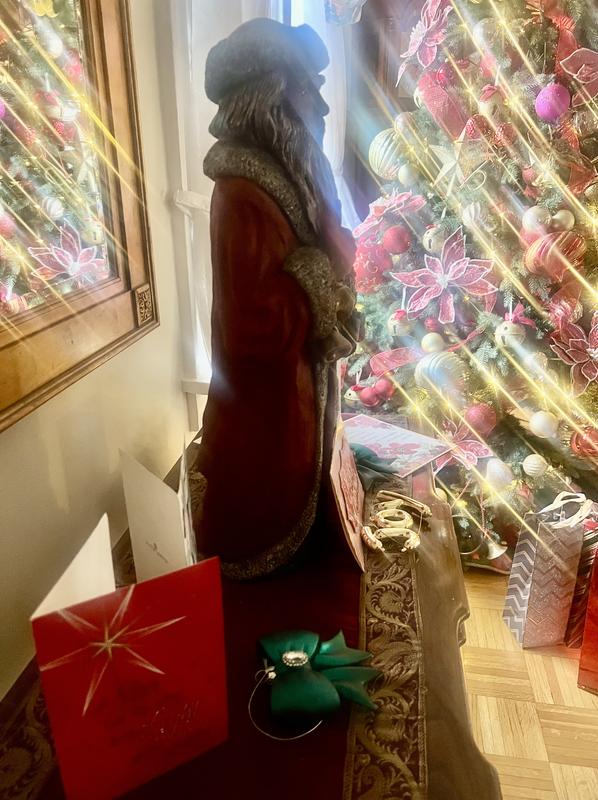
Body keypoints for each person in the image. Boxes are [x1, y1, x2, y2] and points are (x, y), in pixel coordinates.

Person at [195, 18, 358, 580]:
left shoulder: (290, 180)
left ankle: (305, 535)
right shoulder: (242, 196)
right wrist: (317, 276)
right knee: (264, 506)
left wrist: (327, 269)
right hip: (264, 412)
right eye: (307, 89)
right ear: (273, 100)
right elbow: (253, 326)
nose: (322, 107)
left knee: (298, 486)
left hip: (295, 397)